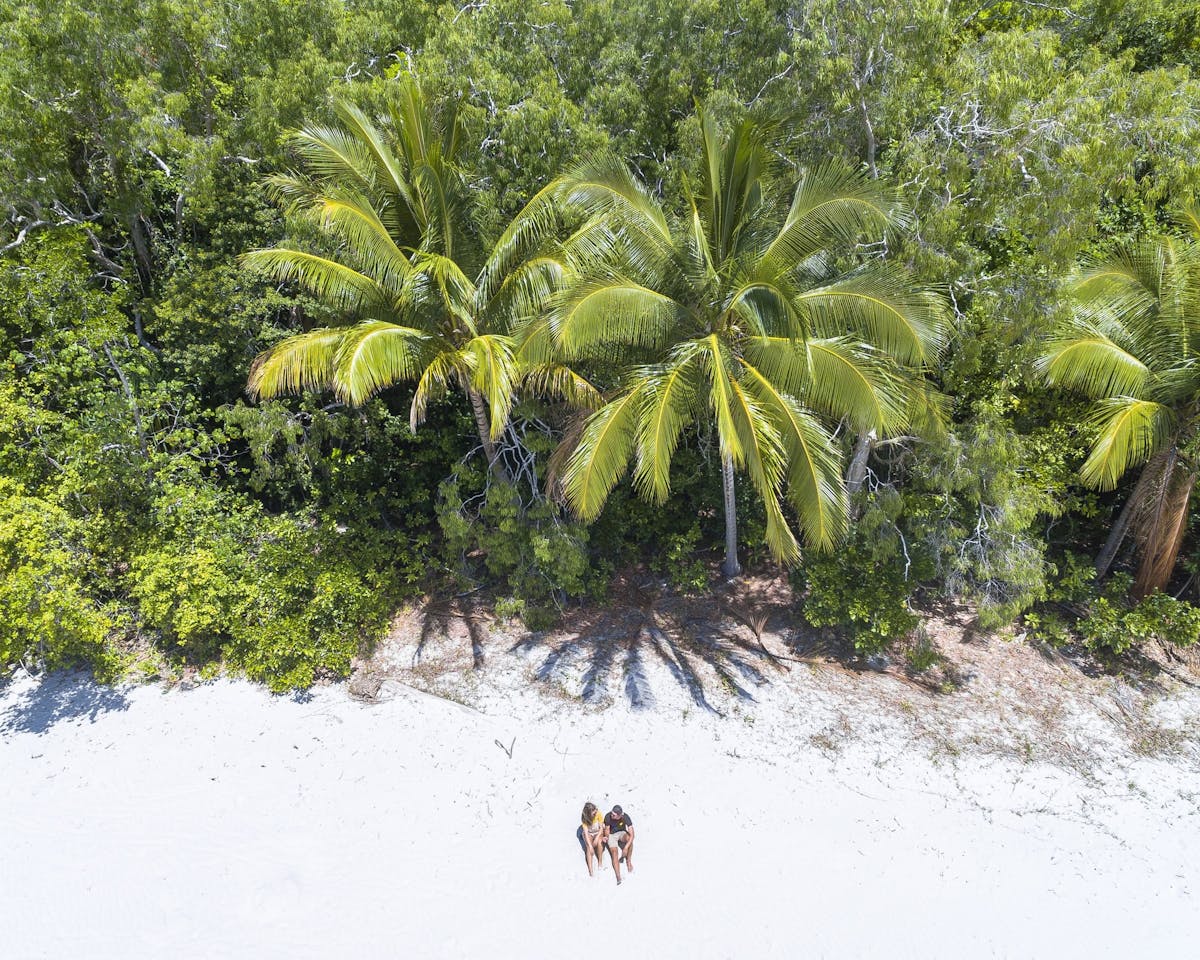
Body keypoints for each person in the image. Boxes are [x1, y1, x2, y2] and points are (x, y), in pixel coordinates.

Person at [603, 804, 634, 884]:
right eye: (612, 813)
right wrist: (606, 837)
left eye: (614, 815)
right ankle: (618, 876)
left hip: (621, 833)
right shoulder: (608, 816)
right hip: (611, 835)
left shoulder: (625, 817)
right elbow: (607, 829)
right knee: (614, 852)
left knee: (629, 840)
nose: (612, 815)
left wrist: (626, 848)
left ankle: (628, 861)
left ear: (619, 815)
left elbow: (632, 834)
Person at [578, 801, 605, 877]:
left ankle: (600, 863)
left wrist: (596, 839)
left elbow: (601, 829)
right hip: (589, 833)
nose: (595, 813)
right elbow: (586, 832)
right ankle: (591, 871)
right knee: (588, 849)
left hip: (598, 832)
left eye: (595, 811)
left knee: (599, 843)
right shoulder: (584, 818)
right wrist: (590, 846)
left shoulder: (598, 813)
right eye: (593, 813)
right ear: (588, 814)